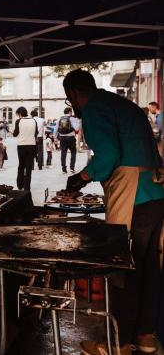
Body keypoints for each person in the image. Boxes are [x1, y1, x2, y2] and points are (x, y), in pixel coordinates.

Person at [63, 69, 164, 355]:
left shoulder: (95, 108)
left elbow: (108, 156)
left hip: (135, 196)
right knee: (149, 269)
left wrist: (82, 177)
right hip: (156, 194)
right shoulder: (123, 104)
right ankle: (146, 337)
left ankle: (116, 344)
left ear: (73, 94)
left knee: (124, 269)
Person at [13, 106, 37, 191]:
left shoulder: (18, 121)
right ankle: (27, 187)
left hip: (21, 145)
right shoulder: (33, 120)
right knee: (29, 167)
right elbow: (36, 133)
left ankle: (20, 184)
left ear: (19, 114)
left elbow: (15, 134)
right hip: (32, 145)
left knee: (21, 165)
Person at [54, 106, 79, 174]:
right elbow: (77, 128)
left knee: (63, 153)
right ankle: (72, 168)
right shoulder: (72, 118)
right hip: (71, 138)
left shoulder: (59, 119)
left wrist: (55, 138)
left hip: (62, 138)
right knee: (73, 152)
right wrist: (77, 122)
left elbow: (55, 129)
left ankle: (64, 169)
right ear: (70, 112)